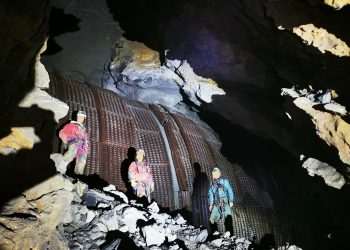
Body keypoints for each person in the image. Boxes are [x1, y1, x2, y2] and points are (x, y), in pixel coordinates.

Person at [51, 111, 89, 175]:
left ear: (84, 119)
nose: (80, 119)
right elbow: (62, 132)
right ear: (76, 117)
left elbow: (85, 138)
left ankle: (78, 175)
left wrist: (86, 146)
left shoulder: (84, 129)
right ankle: (59, 167)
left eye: (82, 118)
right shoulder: (71, 125)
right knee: (69, 155)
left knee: (81, 161)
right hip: (74, 143)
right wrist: (65, 138)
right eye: (79, 117)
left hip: (82, 146)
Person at [208, 167, 234, 235]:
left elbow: (230, 190)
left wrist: (231, 200)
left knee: (228, 217)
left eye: (217, 173)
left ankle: (230, 234)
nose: (215, 174)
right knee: (212, 218)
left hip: (225, 203)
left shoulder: (225, 182)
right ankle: (215, 234)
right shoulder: (212, 185)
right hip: (217, 204)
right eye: (214, 173)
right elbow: (211, 195)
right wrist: (210, 204)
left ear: (219, 173)